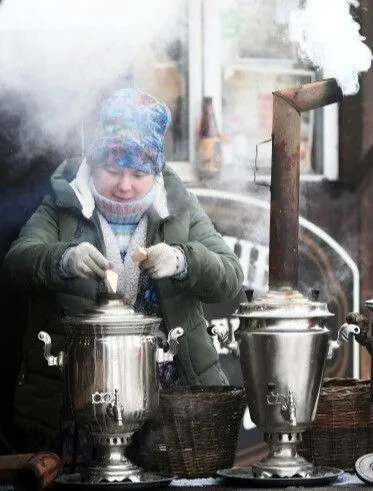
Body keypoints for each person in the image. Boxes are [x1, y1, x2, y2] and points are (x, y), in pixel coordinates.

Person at [3, 88, 244, 462]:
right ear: (93, 163)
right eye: (113, 170)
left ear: (157, 171)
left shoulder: (180, 209)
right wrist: (63, 259)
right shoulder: (61, 206)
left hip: (171, 401)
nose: (125, 185)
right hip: (78, 397)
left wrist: (183, 261)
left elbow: (230, 276)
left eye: (139, 173)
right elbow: (17, 264)